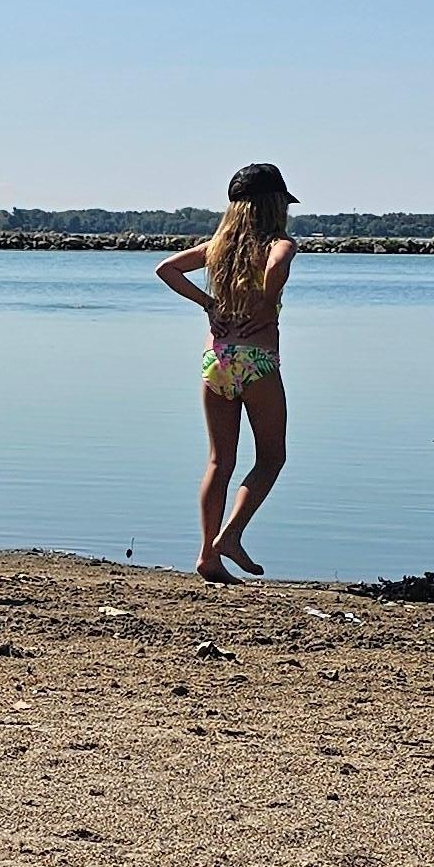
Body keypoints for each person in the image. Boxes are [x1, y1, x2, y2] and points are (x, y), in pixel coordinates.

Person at [157, 161, 296, 581]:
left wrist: (209, 304)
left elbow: (166, 269)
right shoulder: (279, 243)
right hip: (257, 361)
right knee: (271, 457)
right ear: (275, 204)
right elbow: (278, 262)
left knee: (220, 461)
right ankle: (231, 535)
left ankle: (207, 555)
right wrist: (267, 303)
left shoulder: (218, 247)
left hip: (216, 360)